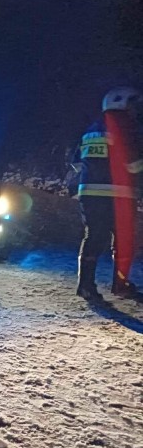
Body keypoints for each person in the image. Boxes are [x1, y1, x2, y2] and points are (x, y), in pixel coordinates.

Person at [73, 86, 143, 301]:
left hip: (89, 194)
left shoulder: (92, 129)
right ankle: (120, 284)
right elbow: (132, 165)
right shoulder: (124, 128)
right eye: (132, 105)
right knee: (124, 240)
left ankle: (85, 286)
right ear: (121, 104)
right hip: (119, 195)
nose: (136, 110)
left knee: (94, 237)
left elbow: (76, 162)